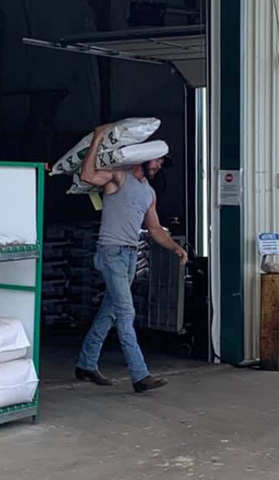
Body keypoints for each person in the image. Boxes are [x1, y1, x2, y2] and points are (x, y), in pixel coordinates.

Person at [75, 124, 188, 393]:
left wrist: (175, 248)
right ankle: (140, 375)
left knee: (110, 312)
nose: (159, 165)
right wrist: (98, 137)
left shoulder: (149, 192)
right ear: (145, 156)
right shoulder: (118, 177)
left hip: (128, 255)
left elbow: (155, 229)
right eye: (158, 159)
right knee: (126, 313)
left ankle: (86, 364)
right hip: (111, 253)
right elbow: (88, 174)